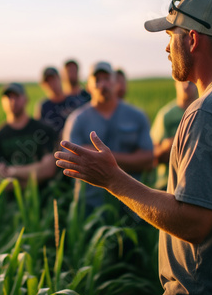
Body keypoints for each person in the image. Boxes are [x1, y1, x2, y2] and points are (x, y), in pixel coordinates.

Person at [55, 0, 212, 295]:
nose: (167, 48)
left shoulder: (207, 111)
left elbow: (193, 222)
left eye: (171, 35)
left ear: (192, 40)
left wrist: (113, 179)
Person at [62, 61, 153, 215]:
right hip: (90, 210)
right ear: (89, 86)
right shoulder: (77, 120)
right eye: (97, 80)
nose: (102, 84)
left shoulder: (137, 116)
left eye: (107, 79)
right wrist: (129, 160)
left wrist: (103, 160)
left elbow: (148, 160)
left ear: (116, 83)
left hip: (133, 206)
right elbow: (71, 164)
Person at [0, 82, 57, 191]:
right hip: (11, 203)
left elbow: (48, 170)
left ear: (26, 99)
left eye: (16, 96)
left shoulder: (43, 130)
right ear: (2, 102)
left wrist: (13, 171)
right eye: (8, 97)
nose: (12, 101)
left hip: (44, 199)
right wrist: (34, 176)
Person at [150, 80, 198, 190]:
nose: (186, 86)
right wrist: (170, 146)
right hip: (168, 183)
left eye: (190, 82)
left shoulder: (204, 112)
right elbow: (153, 154)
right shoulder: (166, 115)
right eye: (182, 82)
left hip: (196, 182)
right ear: (175, 84)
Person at [34, 67, 85, 139]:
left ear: (60, 79)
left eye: (54, 79)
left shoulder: (74, 102)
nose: (52, 84)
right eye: (48, 81)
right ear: (43, 85)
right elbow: (39, 132)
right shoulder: (43, 106)